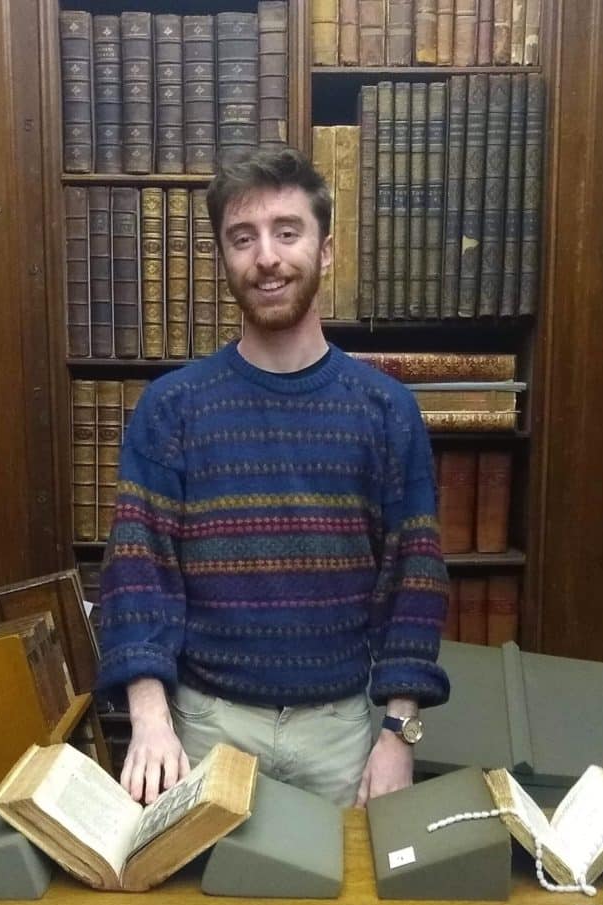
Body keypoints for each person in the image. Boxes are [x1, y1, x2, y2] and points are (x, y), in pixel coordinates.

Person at [94, 146, 450, 808]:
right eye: (243, 238)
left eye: (288, 232)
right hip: (204, 729)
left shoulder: (385, 409)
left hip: (340, 733)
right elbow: (139, 573)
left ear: (327, 250)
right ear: (224, 259)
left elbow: (414, 579)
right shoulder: (172, 408)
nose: (267, 257)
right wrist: (149, 720)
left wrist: (399, 734)